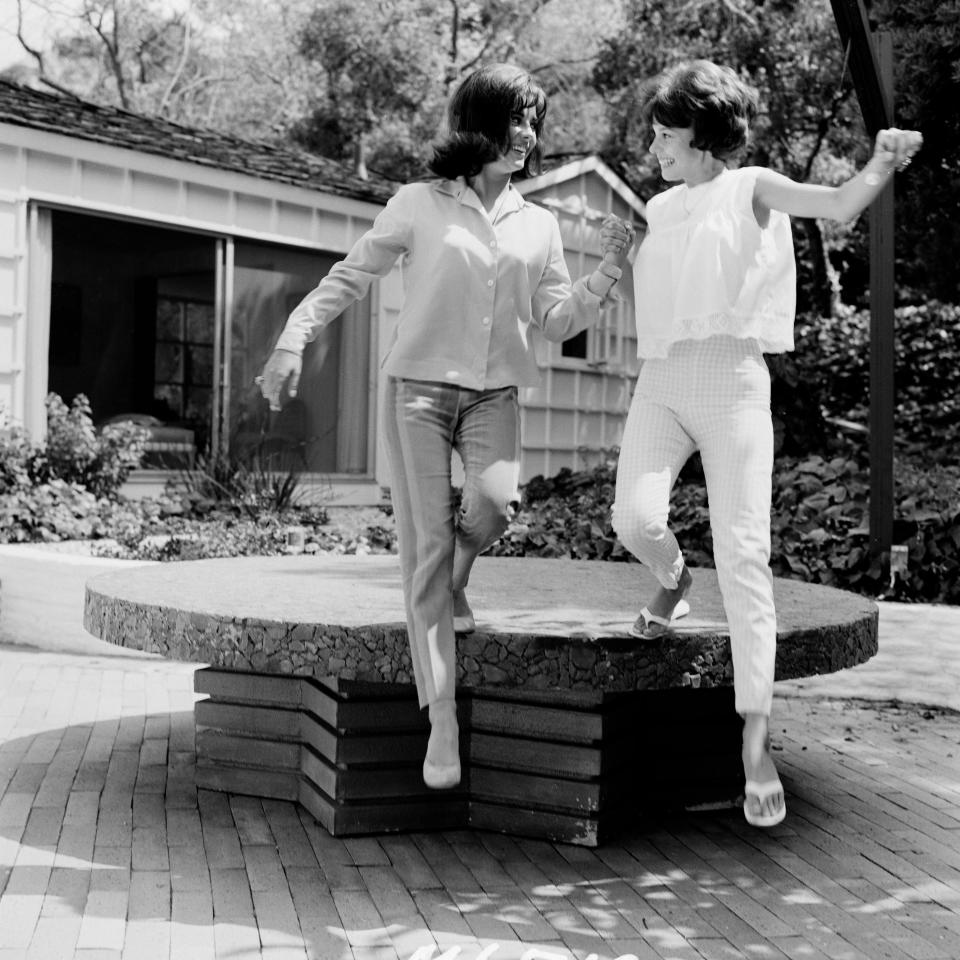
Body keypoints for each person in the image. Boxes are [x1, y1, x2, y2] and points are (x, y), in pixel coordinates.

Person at [258, 63, 632, 791]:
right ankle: (442, 720)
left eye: (534, 121)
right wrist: (292, 336)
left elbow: (556, 320)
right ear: (479, 124)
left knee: (494, 507)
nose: (528, 134)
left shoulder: (540, 224)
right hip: (419, 394)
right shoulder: (419, 204)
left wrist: (606, 274)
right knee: (426, 548)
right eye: (516, 118)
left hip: (496, 396)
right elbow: (350, 275)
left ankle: (459, 577)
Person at [612, 59, 921, 828]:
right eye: (653, 136)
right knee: (632, 519)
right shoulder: (657, 206)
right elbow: (653, 292)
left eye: (666, 134)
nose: (655, 148)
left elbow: (840, 204)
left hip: (733, 383)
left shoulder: (749, 187)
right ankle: (675, 583)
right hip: (661, 381)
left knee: (744, 556)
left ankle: (754, 739)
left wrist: (879, 161)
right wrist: (616, 260)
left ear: (707, 136)